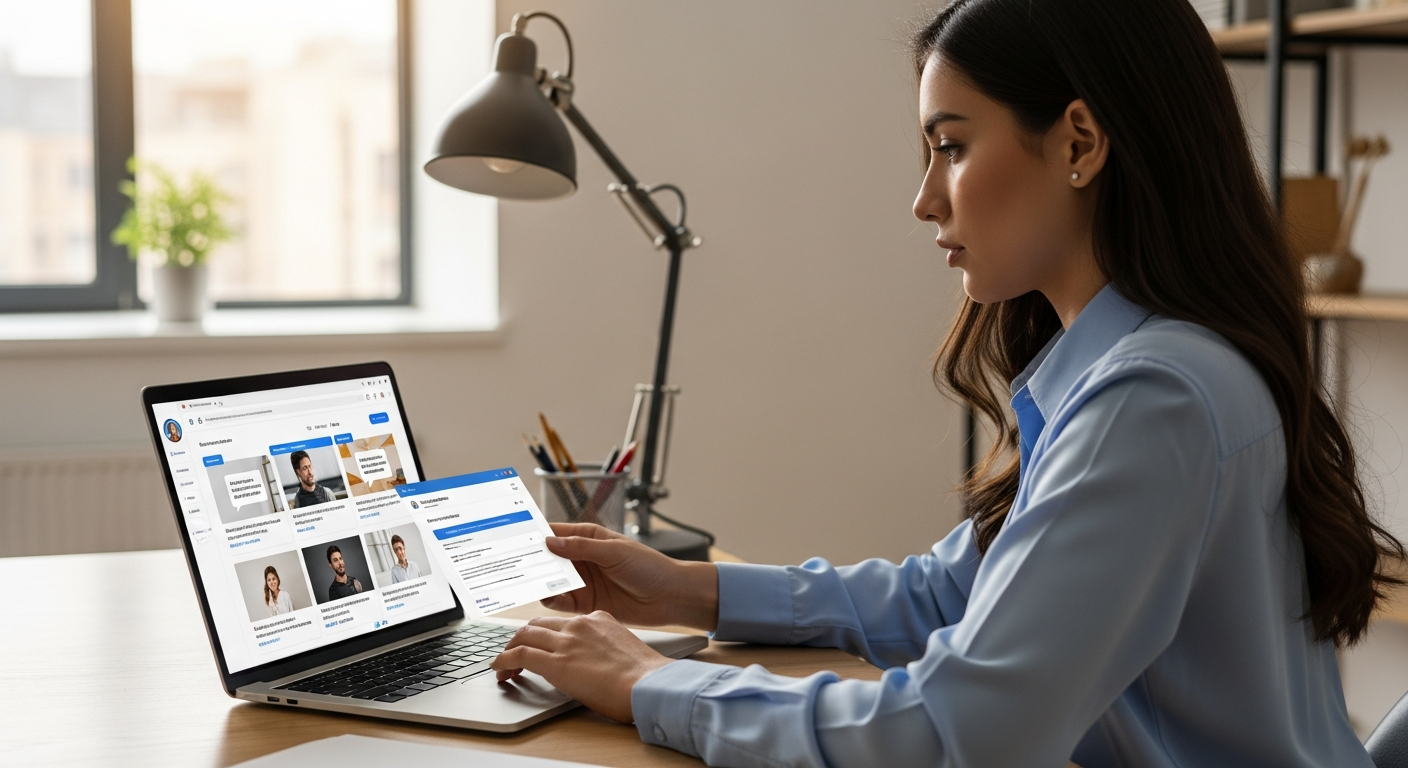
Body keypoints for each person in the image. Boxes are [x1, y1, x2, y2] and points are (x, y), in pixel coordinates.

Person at [488, 1, 1404, 766]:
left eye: (952, 147)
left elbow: (960, 731)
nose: (925, 197)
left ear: (1079, 142)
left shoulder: (1153, 398)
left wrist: (650, 681)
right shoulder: (1142, 367)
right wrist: (693, 593)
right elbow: (949, 593)